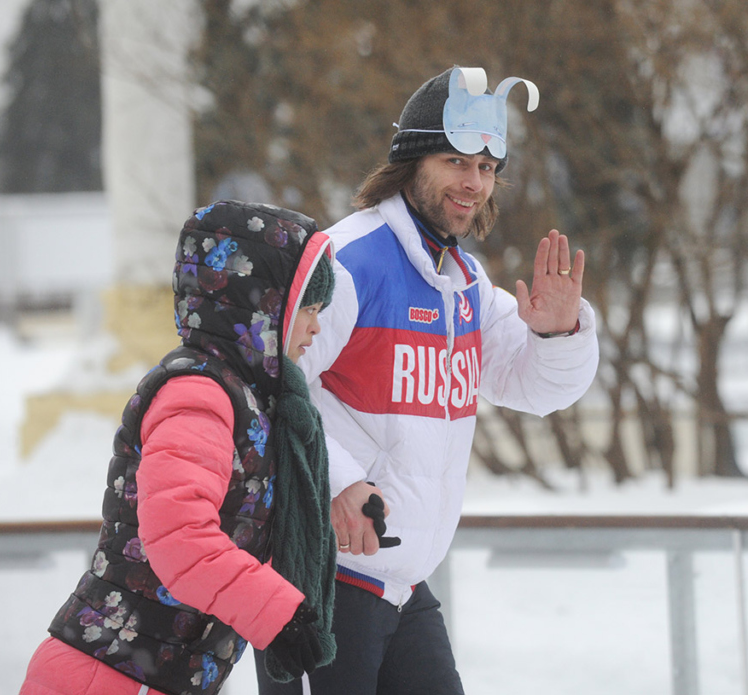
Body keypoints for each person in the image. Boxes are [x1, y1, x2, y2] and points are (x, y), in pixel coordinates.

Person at [256, 66, 600, 695]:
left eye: (488, 168)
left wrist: (556, 334)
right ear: (411, 162)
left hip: (400, 584)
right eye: (455, 161)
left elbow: (534, 388)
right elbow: (273, 386)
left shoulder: (464, 283)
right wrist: (336, 482)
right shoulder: (347, 258)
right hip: (323, 580)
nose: (474, 183)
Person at [20, 200, 340, 695]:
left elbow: (243, 529)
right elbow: (180, 538)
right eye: (308, 311)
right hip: (107, 676)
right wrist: (281, 616)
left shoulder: (252, 400)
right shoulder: (198, 393)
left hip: (156, 676)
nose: (316, 329)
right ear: (264, 310)